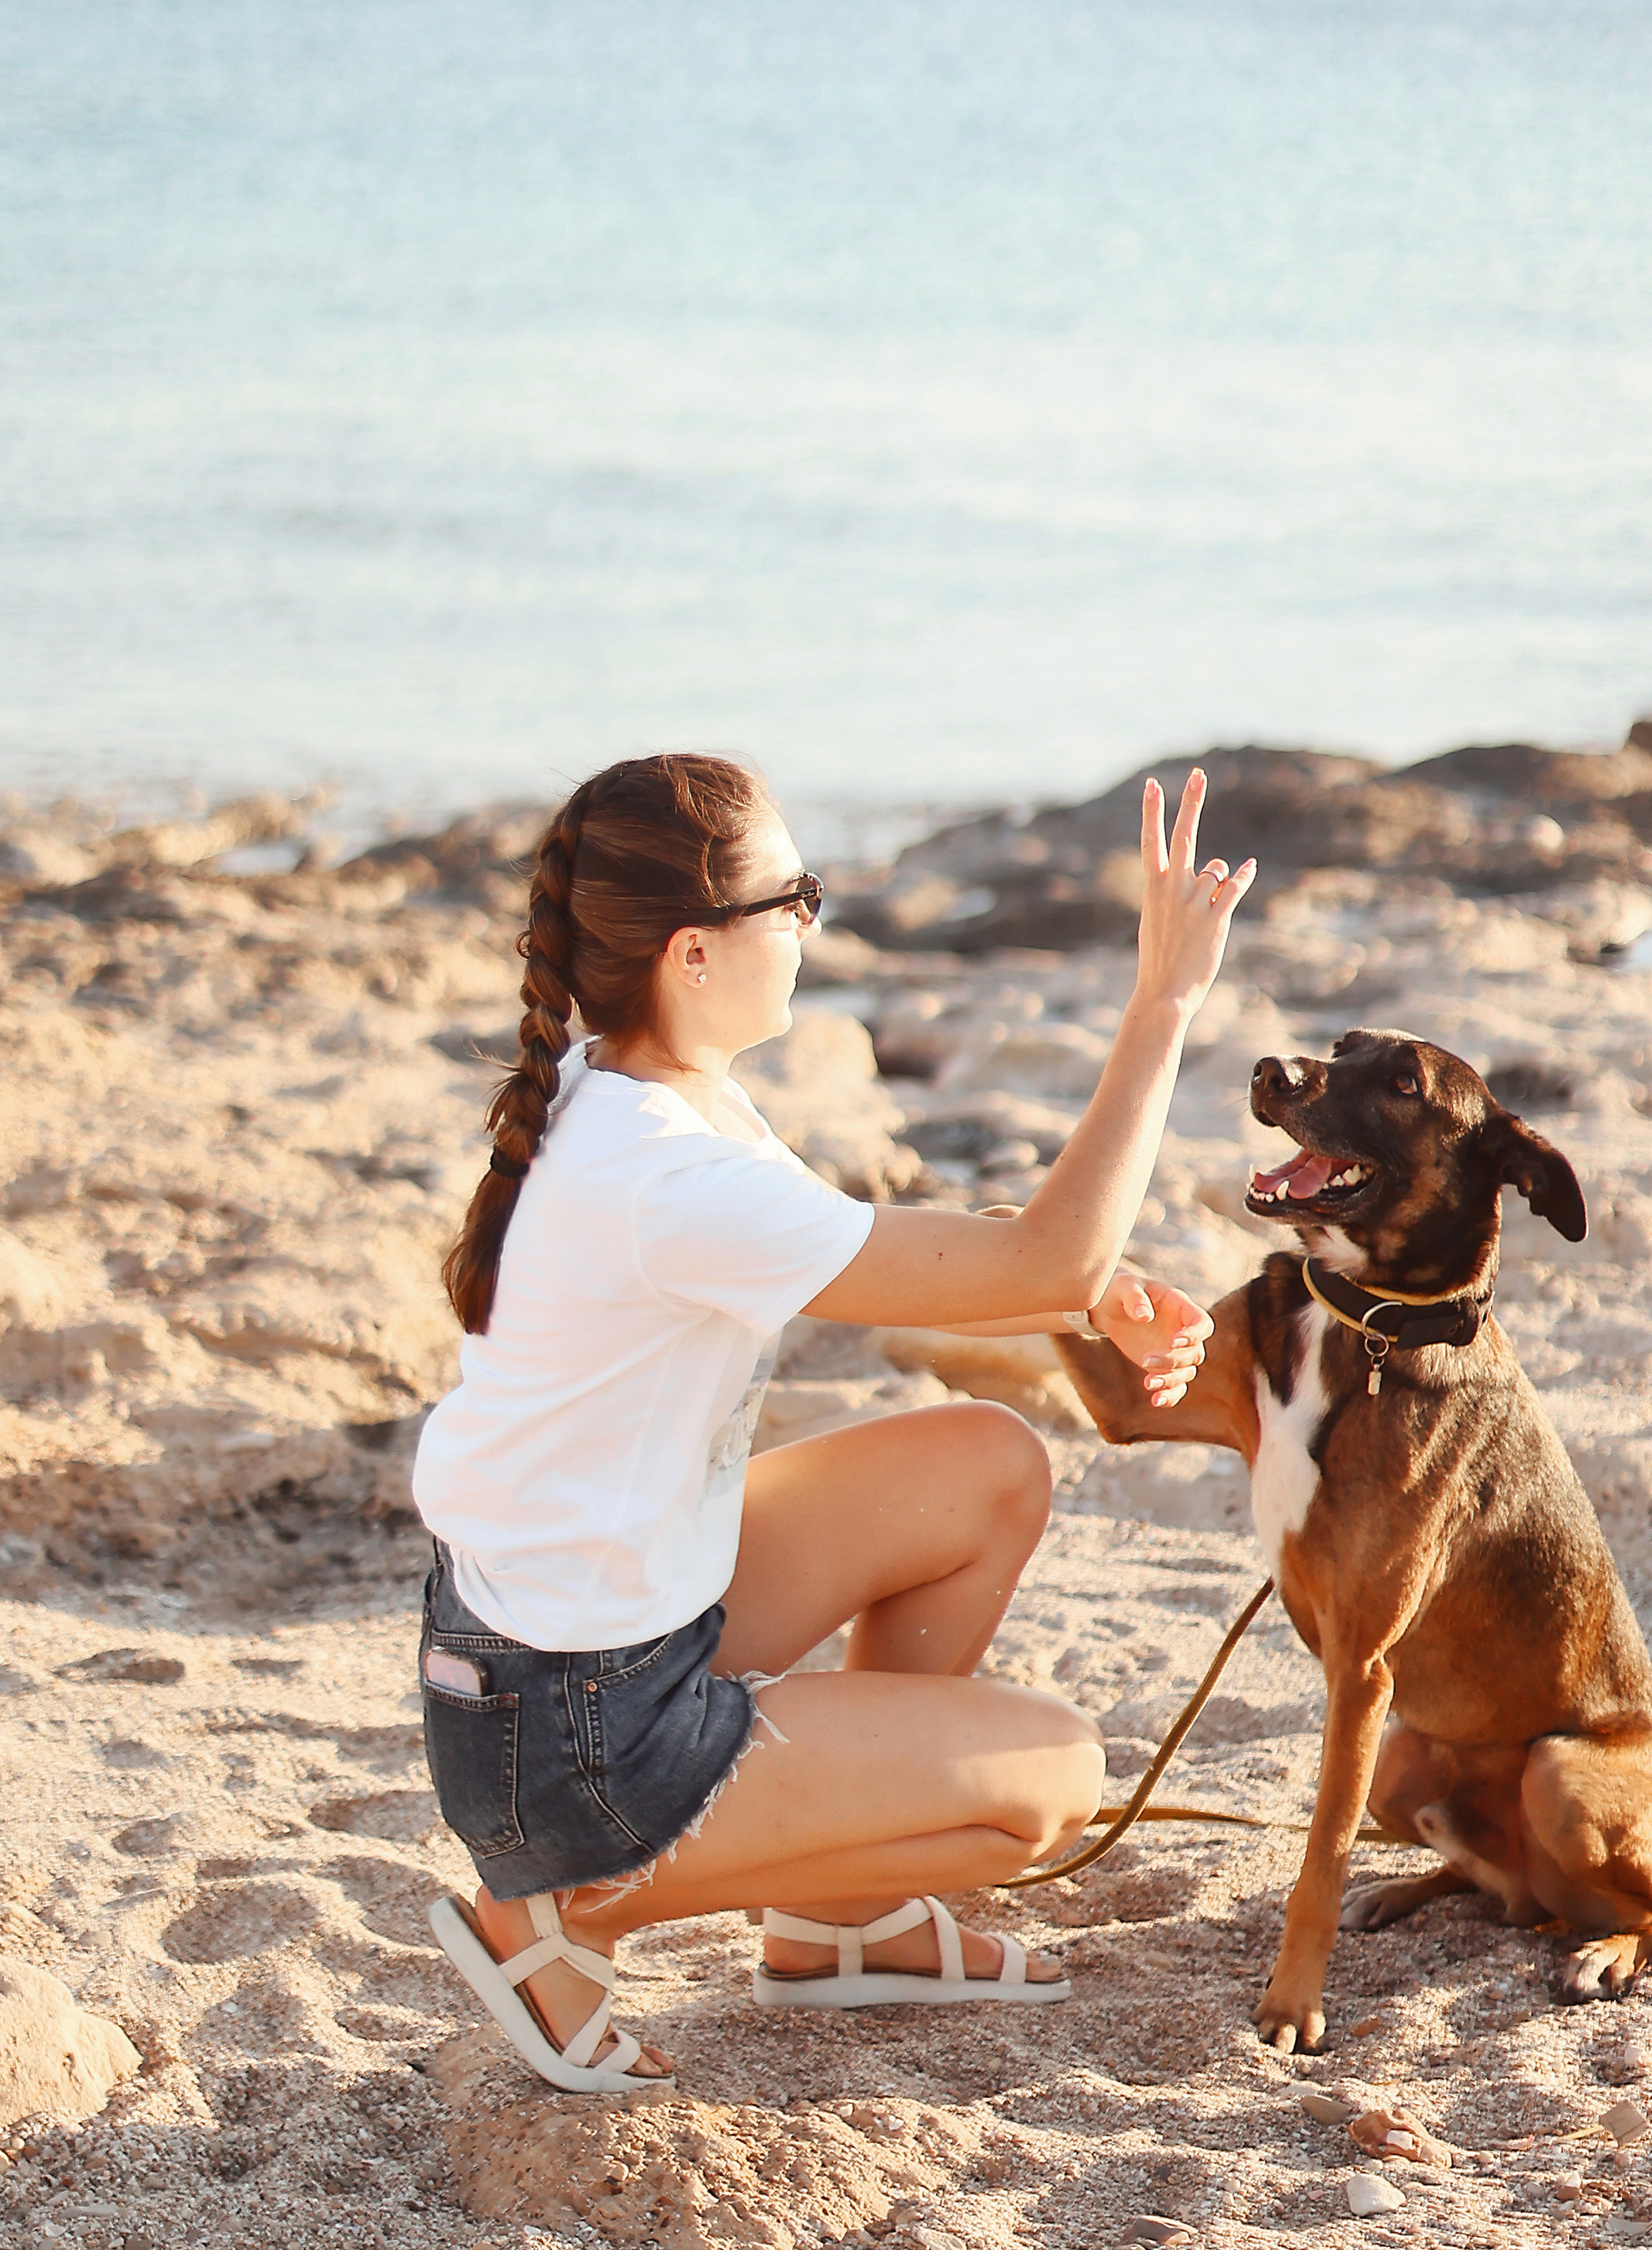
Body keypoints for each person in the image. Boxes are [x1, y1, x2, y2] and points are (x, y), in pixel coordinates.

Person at [412, 752, 1253, 2091]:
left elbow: (908, 1256)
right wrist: (1164, 1002)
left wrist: (1090, 1304)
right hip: (580, 1730)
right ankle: (564, 1909)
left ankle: (835, 1919)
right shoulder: (664, 1172)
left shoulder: (635, 1090)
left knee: (984, 1468)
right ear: (694, 953)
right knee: (1053, 1783)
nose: (814, 922)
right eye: (791, 897)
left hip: (545, 1649)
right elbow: (1035, 1258)